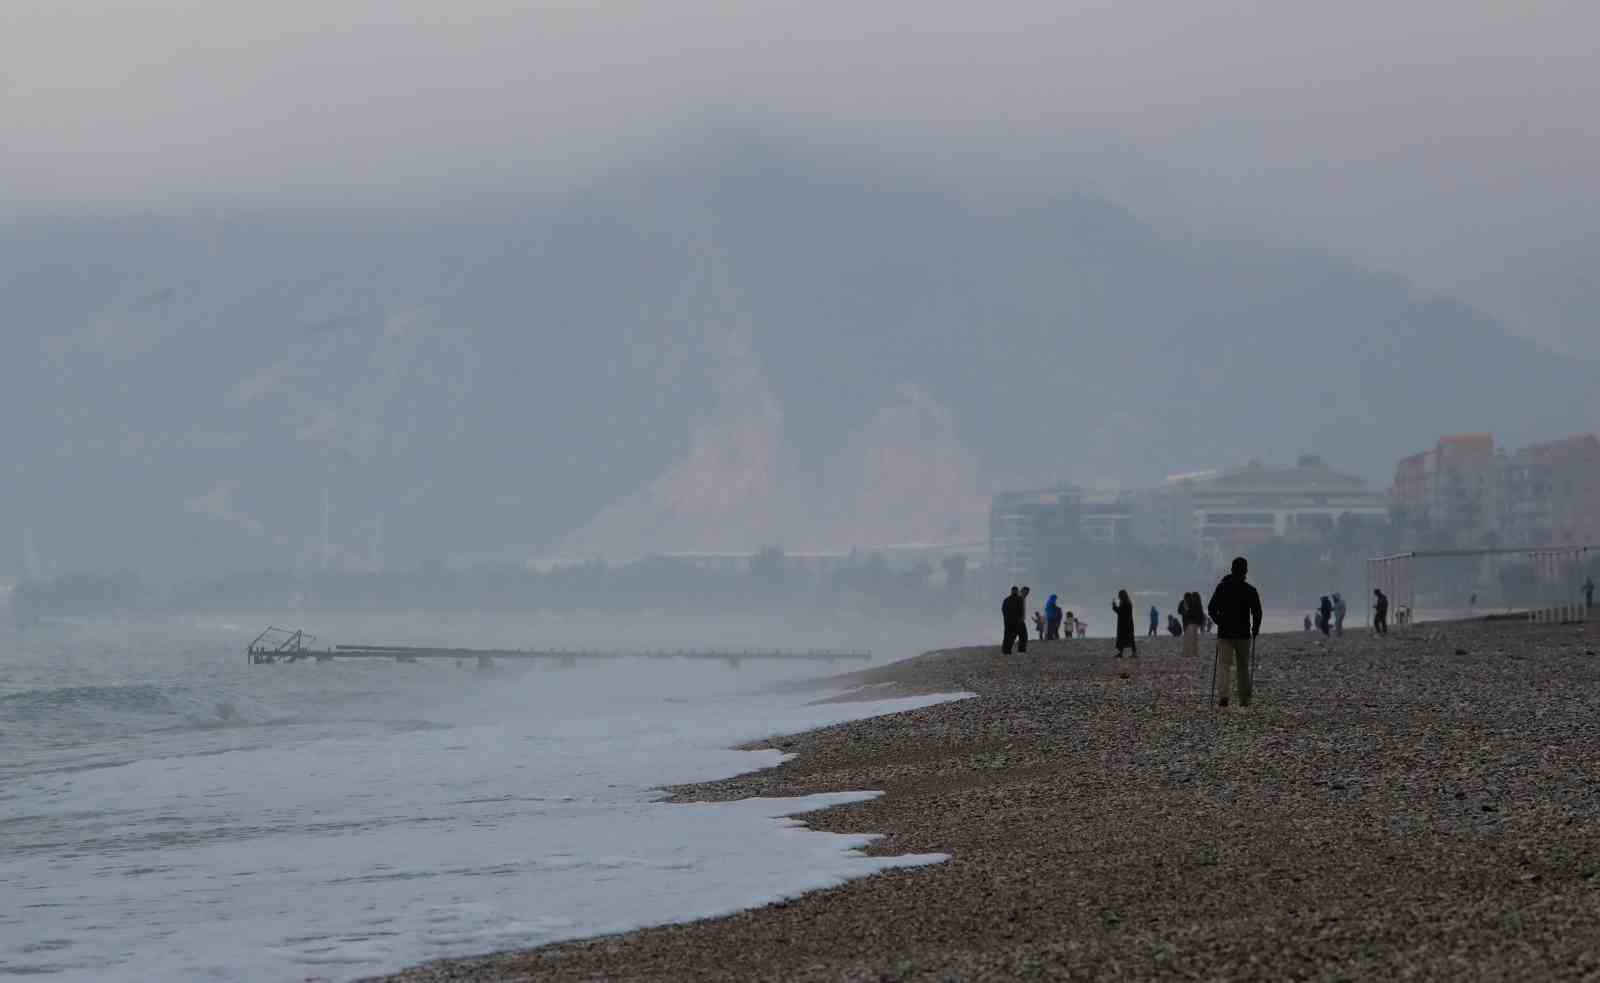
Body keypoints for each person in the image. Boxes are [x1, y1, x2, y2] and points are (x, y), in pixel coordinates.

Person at [1207, 556, 1263, 707]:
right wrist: (1255, 628)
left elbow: (1211, 608)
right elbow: (1257, 612)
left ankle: (1223, 695)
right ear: (1245, 571)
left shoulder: (1222, 587)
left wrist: (1219, 622)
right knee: (1243, 666)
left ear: (1231, 570)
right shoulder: (1250, 590)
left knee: (1224, 665)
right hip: (1243, 634)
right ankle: (1244, 699)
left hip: (1225, 633)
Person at [1001, 586, 1027, 654]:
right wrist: (1021, 618)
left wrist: (1006, 620)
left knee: (1008, 636)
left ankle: (1006, 651)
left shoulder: (1006, 600)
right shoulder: (1019, 599)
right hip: (1017, 621)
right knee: (1023, 635)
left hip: (1008, 622)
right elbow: (1021, 610)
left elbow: (1003, 610)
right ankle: (1021, 650)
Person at [1112, 590, 1137, 658]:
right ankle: (1124, 653)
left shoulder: (1125, 603)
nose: (1119, 597)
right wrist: (1115, 607)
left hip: (1125, 624)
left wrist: (1114, 606)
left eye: (1119, 595)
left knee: (1124, 638)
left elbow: (1120, 612)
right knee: (1126, 638)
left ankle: (1130, 653)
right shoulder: (1127, 602)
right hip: (1127, 623)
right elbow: (1121, 612)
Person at [1181, 591, 1205, 658]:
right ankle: (1195, 653)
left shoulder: (1194, 604)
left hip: (1192, 623)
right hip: (1195, 624)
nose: (1191, 597)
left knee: (1189, 640)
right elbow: (1201, 616)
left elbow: (1191, 613)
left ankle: (1188, 654)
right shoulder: (1198, 604)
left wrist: (1187, 610)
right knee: (1194, 640)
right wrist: (1201, 624)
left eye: (1192, 596)